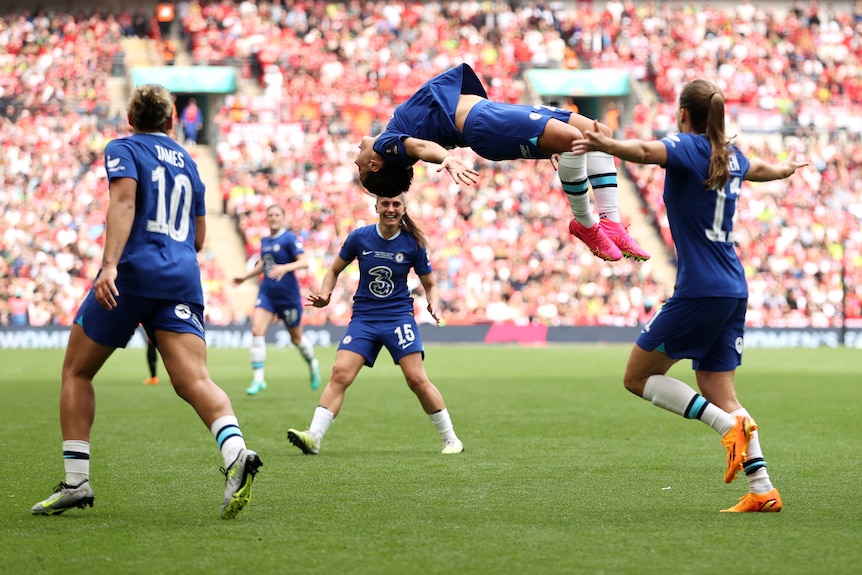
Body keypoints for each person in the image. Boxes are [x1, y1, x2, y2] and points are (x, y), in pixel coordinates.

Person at [572, 78, 807, 512]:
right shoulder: (731, 156)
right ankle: (763, 490)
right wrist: (787, 169)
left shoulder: (691, 148)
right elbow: (761, 171)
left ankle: (726, 430)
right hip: (733, 288)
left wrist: (607, 143)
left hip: (700, 288)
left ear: (683, 115)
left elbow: (645, 153)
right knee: (720, 390)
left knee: (637, 377)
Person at [31, 84, 262, 520]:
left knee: (77, 371)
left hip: (133, 272)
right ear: (172, 122)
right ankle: (236, 453)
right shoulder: (191, 163)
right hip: (180, 276)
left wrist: (110, 265)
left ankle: (76, 481)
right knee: (194, 379)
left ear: (131, 120)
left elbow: (123, 201)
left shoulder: (124, 147)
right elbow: (197, 238)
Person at [354, 63, 649, 262]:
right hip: (483, 123)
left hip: (491, 114)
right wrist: (447, 159)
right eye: (359, 166)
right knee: (574, 140)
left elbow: (417, 143)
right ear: (376, 165)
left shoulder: (395, 136)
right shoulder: (387, 143)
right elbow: (418, 146)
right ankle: (586, 224)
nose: (357, 155)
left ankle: (611, 222)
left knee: (600, 134)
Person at [287, 193, 464, 456]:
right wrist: (326, 294)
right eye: (385, 204)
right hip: (364, 318)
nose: (390, 209)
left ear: (404, 208)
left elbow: (431, 284)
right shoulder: (360, 237)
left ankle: (452, 440)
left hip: (398, 318)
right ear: (376, 207)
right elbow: (334, 269)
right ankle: (314, 437)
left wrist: (433, 303)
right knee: (340, 374)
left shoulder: (413, 243)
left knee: (416, 379)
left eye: (396, 204)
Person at [233, 204, 320, 395]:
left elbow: (305, 261)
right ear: (267, 218)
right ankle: (258, 379)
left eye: (276, 214)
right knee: (256, 330)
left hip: (288, 297)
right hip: (268, 294)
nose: (273, 217)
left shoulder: (289, 238)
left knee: (296, 338)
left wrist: (285, 268)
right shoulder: (265, 241)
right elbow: (265, 263)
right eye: (270, 214)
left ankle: (313, 364)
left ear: (282, 217)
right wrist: (246, 277)